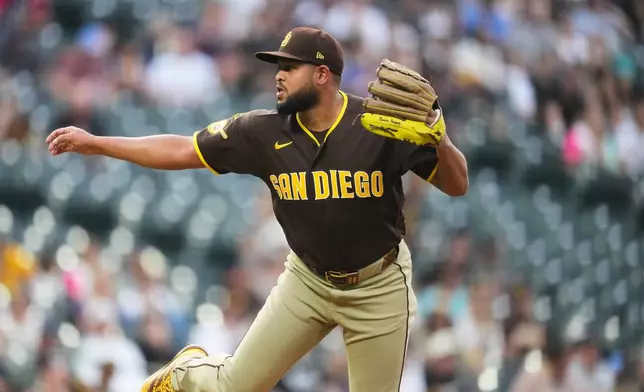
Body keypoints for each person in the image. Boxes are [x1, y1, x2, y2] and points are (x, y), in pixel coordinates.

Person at [46, 26, 468, 392]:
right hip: (308, 279)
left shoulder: (379, 124)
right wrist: (96, 143)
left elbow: (457, 184)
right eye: (277, 67)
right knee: (237, 386)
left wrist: (439, 140)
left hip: (378, 285)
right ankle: (186, 373)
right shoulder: (263, 131)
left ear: (323, 75)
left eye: (290, 67)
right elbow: (181, 148)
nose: (278, 77)